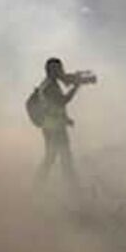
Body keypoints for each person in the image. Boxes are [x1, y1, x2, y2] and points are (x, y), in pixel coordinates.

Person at [34, 57, 85, 189]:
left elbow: (54, 107)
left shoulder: (50, 83)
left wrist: (66, 119)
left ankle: (38, 184)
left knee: (52, 157)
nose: (61, 71)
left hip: (53, 126)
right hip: (54, 129)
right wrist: (77, 86)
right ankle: (72, 189)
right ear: (52, 70)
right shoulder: (50, 86)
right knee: (63, 158)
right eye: (58, 68)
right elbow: (63, 101)